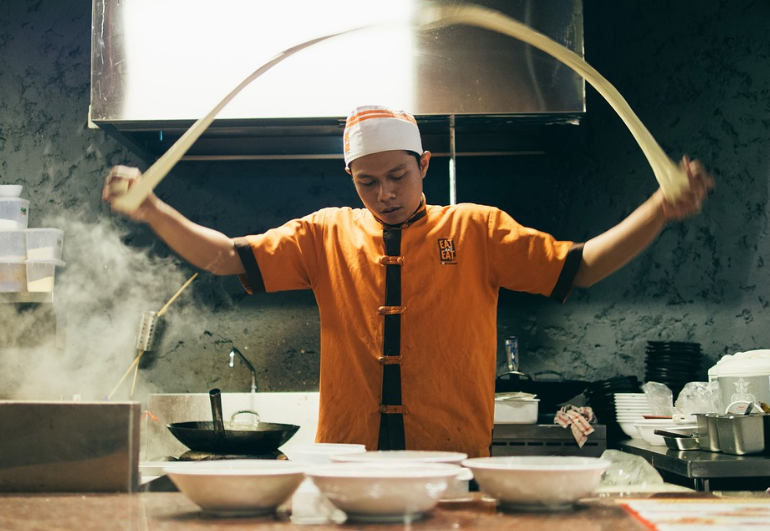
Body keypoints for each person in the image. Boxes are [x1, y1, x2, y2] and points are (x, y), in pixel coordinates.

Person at [102, 105, 714, 458]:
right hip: (349, 461)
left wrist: (658, 210)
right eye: (366, 182)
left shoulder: (476, 229)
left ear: (425, 164)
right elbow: (224, 258)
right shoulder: (324, 234)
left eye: (398, 175)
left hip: (452, 460)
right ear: (350, 177)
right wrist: (153, 210)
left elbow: (581, 267)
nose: (385, 194)